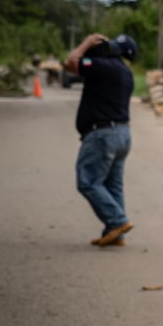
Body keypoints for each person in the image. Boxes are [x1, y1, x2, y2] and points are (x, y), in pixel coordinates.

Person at [64, 32, 138, 247]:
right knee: (113, 185)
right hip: (122, 133)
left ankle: (118, 221)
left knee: (88, 182)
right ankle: (116, 233)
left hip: (102, 134)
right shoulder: (125, 72)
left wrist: (85, 43)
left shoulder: (103, 67)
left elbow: (70, 62)